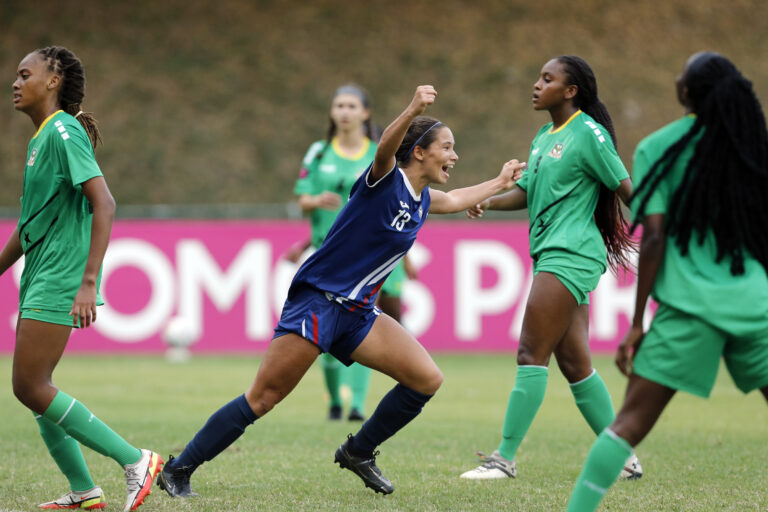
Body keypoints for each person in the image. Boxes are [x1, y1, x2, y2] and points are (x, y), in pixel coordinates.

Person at [157, 85, 526, 498]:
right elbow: (386, 149)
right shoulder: (385, 180)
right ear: (419, 151)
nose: (454, 156)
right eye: (447, 147)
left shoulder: (423, 199)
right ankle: (178, 468)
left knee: (425, 379)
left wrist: (498, 182)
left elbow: (457, 198)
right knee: (264, 397)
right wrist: (413, 108)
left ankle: (359, 451)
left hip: (358, 314)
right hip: (319, 301)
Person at [566, 51, 768, 511]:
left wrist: (637, 322)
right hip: (756, 304)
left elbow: (653, 236)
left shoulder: (659, 146)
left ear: (687, 92)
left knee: (627, 426)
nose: (677, 77)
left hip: (691, 310)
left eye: (683, 73)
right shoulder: (753, 145)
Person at [460, 55, 642, 481]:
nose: (537, 84)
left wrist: (665, 227)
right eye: (538, 77)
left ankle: (503, 459)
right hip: (551, 251)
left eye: (548, 78)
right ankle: (624, 456)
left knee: (529, 352)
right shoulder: (544, 135)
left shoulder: (590, 134)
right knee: (575, 363)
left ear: (571, 90)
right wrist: (486, 199)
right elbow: (526, 190)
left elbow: (626, 187)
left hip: (572, 253)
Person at [3, 46, 163, 512]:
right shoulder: (41, 140)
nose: (15, 82)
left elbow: (105, 203)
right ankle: (84, 492)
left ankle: (136, 460)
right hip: (40, 273)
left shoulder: (63, 130)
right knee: (36, 388)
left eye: (24, 73)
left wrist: (89, 281)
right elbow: (26, 227)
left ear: (52, 80)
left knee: (30, 386)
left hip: (60, 274)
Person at [287, 84, 413, 422]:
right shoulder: (318, 153)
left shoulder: (381, 153)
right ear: (332, 112)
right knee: (321, 332)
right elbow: (302, 200)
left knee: (367, 326)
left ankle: (357, 404)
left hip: (370, 260)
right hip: (328, 257)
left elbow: (401, 206)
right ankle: (334, 401)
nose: (344, 111)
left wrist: (408, 258)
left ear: (365, 113)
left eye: (351, 106)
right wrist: (315, 202)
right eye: (339, 105)